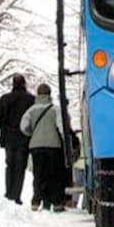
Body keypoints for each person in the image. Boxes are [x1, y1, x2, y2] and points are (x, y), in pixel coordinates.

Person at [19, 83, 65, 212]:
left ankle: (36, 201)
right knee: (54, 174)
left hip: (36, 146)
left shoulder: (31, 110)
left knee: (39, 174)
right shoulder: (55, 109)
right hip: (54, 146)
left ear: (38, 94)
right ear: (49, 94)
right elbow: (61, 127)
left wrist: (32, 133)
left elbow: (23, 127)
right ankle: (56, 203)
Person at [0, 73, 34, 205]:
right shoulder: (31, 100)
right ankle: (16, 195)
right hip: (24, 138)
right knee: (20, 167)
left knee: (9, 165)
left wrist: (4, 129)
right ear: (24, 84)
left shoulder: (5, 99)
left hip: (9, 137)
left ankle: (8, 193)